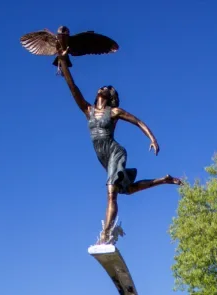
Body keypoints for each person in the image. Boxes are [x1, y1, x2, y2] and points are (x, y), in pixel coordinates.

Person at [55, 50, 182, 244]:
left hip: (114, 151)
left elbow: (137, 121)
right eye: (102, 87)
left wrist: (152, 138)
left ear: (110, 96)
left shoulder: (114, 112)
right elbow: (72, 87)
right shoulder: (88, 110)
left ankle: (105, 236)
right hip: (103, 157)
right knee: (127, 190)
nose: (102, 88)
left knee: (111, 192)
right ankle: (164, 180)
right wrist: (63, 60)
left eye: (106, 88)